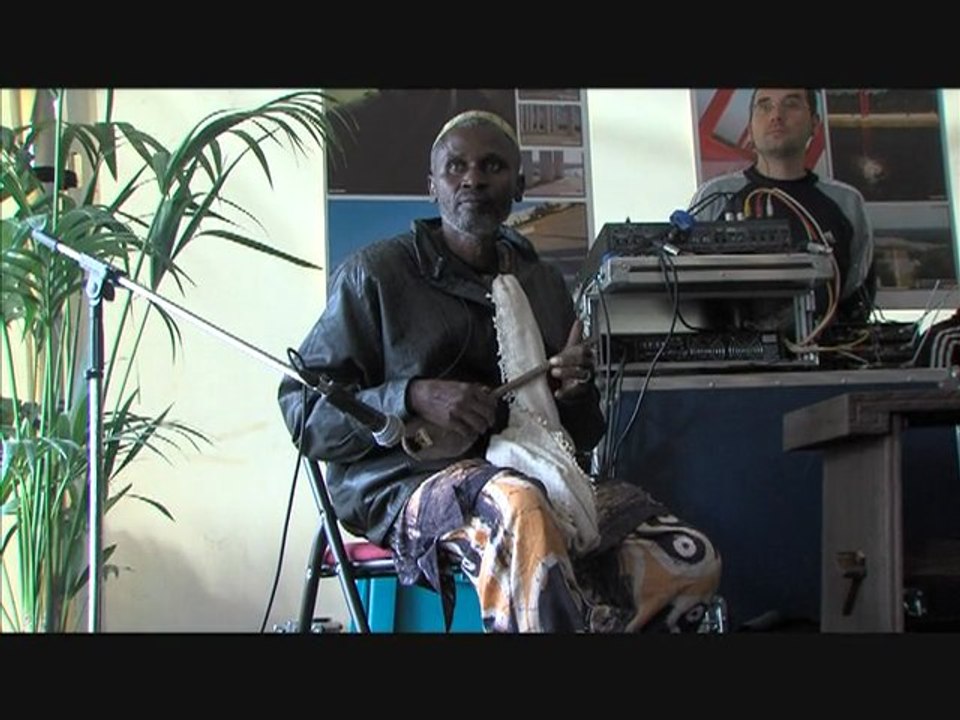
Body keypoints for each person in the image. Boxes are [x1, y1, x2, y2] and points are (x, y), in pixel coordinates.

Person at [278, 110, 721, 633]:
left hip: (537, 473)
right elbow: (302, 411)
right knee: (520, 506)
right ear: (432, 187)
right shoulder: (375, 273)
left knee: (689, 560)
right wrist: (412, 395)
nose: (473, 178)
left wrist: (575, 392)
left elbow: (577, 436)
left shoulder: (542, 282)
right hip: (407, 482)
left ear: (520, 185)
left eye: (492, 166)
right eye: (455, 167)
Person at [689, 88, 876, 328]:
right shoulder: (714, 198)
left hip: (825, 357)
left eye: (791, 104)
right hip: (732, 358)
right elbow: (689, 293)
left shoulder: (847, 203)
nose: (776, 115)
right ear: (751, 125)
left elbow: (856, 295)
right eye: (764, 106)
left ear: (815, 124)